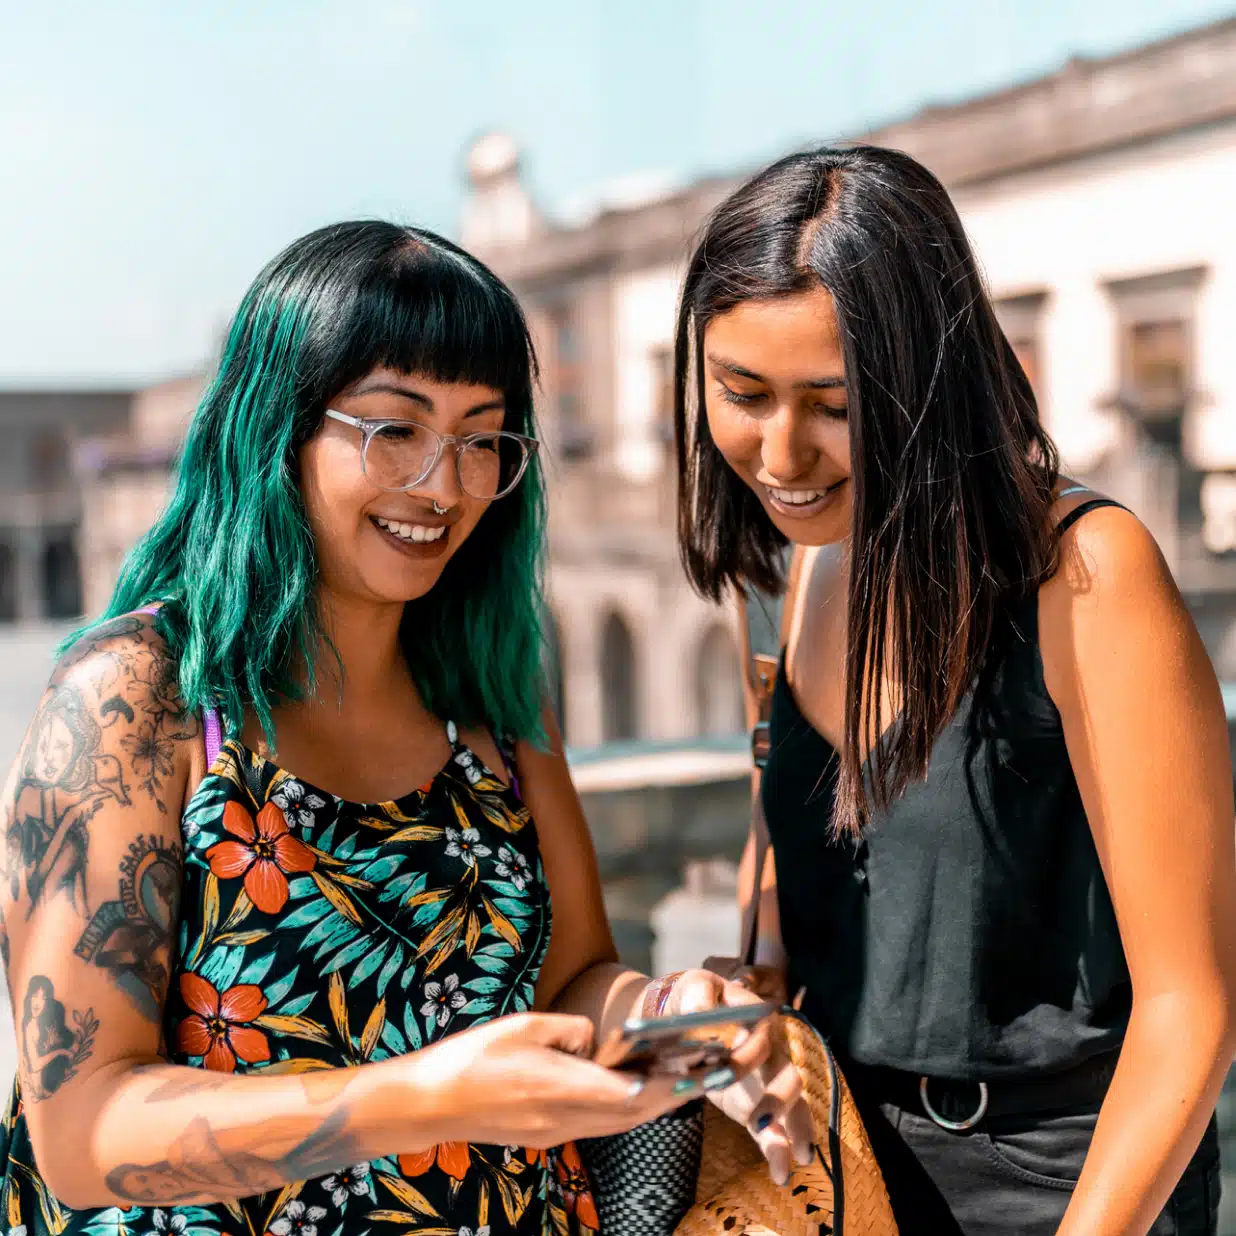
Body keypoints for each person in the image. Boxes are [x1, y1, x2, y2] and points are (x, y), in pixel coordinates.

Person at [0, 221, 787, 1234]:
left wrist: (660, 1015)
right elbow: (80, 1132)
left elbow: (577, 977)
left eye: (482, 438)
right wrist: (428, 1096)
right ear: (274, 427)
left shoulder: (494, 702)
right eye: (395, 430)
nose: (444, 485)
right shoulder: (137, 699)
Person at [671, 145, 1236, 1234]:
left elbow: (1190, 1007)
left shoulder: (1084, 574)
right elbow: (792, 899)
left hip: (1063, 1194)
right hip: (841, 1184)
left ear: (927, 378)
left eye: (833, 405)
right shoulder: (795, 569)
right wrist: (734, 994)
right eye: (741, 393)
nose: (780, 453)